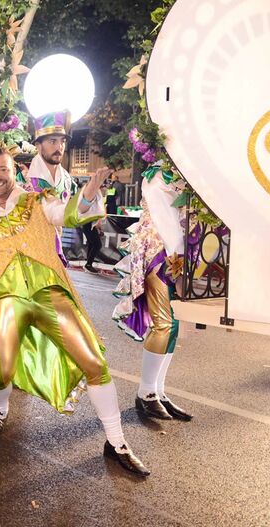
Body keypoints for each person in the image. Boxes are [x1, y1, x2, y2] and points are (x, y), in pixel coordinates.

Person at [0, 146, 150, 476]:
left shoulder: (38, 201)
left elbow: (67, 214)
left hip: (51, 295)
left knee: (94, 362)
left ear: (13, 171)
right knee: (1, 369)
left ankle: (117, 442)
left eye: (2, 169)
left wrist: (89, 191)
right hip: (7, 300)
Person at [112, 164, 192, 422]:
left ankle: (157, 390)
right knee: (164, 324)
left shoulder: (177, 172)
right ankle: (146, 393)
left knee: (173, 323)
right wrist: (178, 267)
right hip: (159, 251)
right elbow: (168, 224)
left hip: (170, 251)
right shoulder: (159, 176)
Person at [25, 111, 78, 265]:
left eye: (62, 141)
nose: (59, 147)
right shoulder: (24, 178)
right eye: (52, 141)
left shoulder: (66, 178)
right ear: (38, 145)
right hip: (27, 254)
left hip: (54, 252)